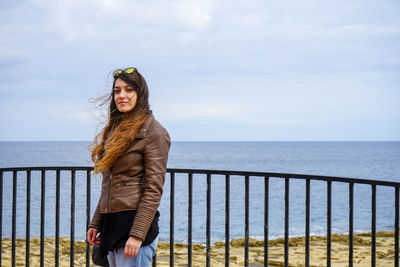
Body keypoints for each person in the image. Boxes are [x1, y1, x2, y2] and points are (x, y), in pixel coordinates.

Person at [87, 67, 171, 267]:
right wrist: (96, 222)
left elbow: (153, 190)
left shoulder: (155, 133)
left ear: (140, 93)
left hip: (133, 228)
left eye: (129, 90)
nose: (121, 96)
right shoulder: (116, 131)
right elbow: (111, 184)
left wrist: (137, 235)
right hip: (111, 225)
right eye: (117, 91)